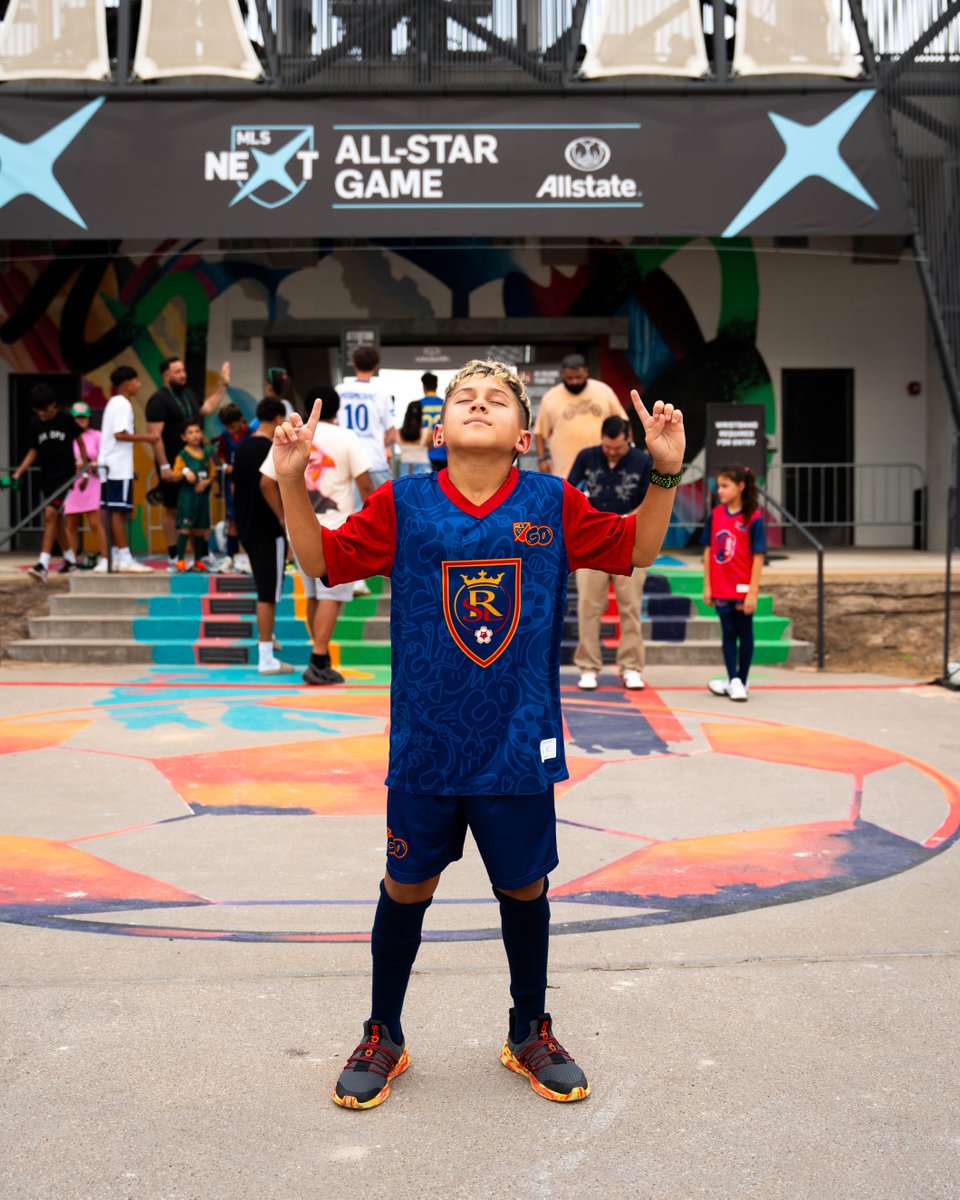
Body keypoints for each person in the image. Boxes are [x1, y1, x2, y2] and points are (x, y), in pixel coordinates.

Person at [272, 358, 685, 1109]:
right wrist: (293, 483)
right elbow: (320, 559)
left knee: (523, 886)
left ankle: (530, 1028)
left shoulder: (551, 502)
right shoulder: (405, 503)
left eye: (498, 399)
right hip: (427, 742)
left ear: (524, 435)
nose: (479, 405)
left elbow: (638, 550)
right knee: (407, 885)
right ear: (439, 427)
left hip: (519, 740)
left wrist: (663, 474)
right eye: (465, 397)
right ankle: (383, 1034)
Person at [261, 385, 373, 686]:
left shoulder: (293, 435)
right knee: (331, 597)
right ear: (337, 409)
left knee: (313, 594)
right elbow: (365, 485)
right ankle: (319, 658)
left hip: (299, 529)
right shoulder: (347, 437)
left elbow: (266, 483)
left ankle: (318, 654)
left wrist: (285, 516)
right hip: (337, 526)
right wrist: (369, 521)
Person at [568, 416, 654, 691]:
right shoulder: (587, 456)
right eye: (607, 447)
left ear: (628, 438)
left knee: (630, 606)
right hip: (593, 538)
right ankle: (588, 666)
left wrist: (628, 520)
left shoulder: (642, 460)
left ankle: (631, 667)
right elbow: (570, 490)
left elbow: (651, 501)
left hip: (630, 537)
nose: (612, 452)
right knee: (589, 606)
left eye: (617, 448)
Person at [146, 355, 230, 572]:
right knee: (174, 509)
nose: (183, 375)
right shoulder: (158, 400)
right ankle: (175, 556)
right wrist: (164, 466)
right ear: (166, 375)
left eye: (183, 370)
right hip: (175, 464)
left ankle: (201, 556)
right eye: (177, 372)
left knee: (199, 509)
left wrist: (222, 386)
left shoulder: (189, 394)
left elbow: (207, 409)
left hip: (199, 463)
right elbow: (154, 436)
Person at [231, 398, 293, 676]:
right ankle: (266, 656)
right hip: (268, 529)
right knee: (268, 594)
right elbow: (268, 484)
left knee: (264, 589)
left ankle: (268, 637)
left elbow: (235, 488)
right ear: (279, 417)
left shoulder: (242, 446)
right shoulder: (271, 448)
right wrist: (283, 518)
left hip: (247, 527)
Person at [11, 384, 91, 582]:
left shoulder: (65, 420)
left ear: (54, 405)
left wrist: (85, 470)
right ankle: (71, 560)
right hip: (47, 478)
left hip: (65, 477)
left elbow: (79, 440)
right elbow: (33, 450)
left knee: (50, 514)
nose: (42, 414)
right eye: (37, 410)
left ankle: (43, 565)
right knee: (56, 520)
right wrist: (19, 472)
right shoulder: (34, 424)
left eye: (45, 409)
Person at [702, 465, 767, 702]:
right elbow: (708, 551)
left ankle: (742, 678)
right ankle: (733, 680)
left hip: (742, 586)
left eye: (725, 486)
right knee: (728, 631)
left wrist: (753, 591)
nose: (720, 490)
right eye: (718, 486)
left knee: (744, 630)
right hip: (721, 585)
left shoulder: (754, 518)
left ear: (740, 487)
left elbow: (758, 557)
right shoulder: (716, 515)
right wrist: (707, 586)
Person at [96, 365, 159, 574]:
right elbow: (120, 434)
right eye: (136, 381)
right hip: (118, 467)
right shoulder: (123, 404)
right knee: (118, 512)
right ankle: (124, 556)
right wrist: (148, 438)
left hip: (111, 466)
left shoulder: (113, 403)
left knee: (113, 510)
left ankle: (113, 554)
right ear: (126, 384)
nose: (139, 385)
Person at [533, 354, 628, 481]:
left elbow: (624, 423)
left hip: (602, 467)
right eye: (569, 378)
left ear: (586, 372)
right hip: (565, 469)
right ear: (563, 374)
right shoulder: (550, 397)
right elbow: (539, 433)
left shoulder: (604, 391)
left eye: (578, 377)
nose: (574, 381)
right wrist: (541, 459)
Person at [336, 346, 396, 489]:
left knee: (352, 510)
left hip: (348, 463)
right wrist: (382, 445)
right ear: (375, 366)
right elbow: (392, 435)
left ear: (354, 364)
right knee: (383, 509)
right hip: (375, 461)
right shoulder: (381, 393)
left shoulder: (339, 390)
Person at [62, 401, 106, 568]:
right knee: (71, 523)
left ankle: (105, 558)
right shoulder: (66, 437)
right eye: (77, 418)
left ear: (89, 419)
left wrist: (91, 464)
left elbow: (103, 458)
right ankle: (71, 560)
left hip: (92, 482)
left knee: (95, 523)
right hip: (72, 482)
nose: (80, 421)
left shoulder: (97, 436)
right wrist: (72, 465)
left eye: (83, 418)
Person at [216, 401, 259, 571]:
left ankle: (246, 557)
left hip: (249, 483)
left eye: (233, 426)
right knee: (232, 521)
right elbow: (221, 455)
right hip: (231, 484)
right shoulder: (224, 437)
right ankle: (229, 557)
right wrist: (225, 465)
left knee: (248, 521)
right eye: (227, 427)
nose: (231, 430)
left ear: (241, 420)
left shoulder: (252, 434)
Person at [169, 420, 216, 573]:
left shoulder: (207, 454)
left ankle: (198, 561)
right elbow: (174, 475)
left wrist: (206, 482)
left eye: (197, 431)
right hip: (187, 498)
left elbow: (212, 474)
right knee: (185, 528)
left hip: (202, 498)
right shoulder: (182, 455)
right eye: (190, 432)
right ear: (184, 437)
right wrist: (184, 472)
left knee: (200, 530)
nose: (195, 435)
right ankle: (180, 559)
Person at [397, 400, 429, 474]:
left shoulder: (398, 432)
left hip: (405, 467)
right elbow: (430, 448)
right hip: (423, 467)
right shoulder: (427, 432)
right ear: (421, 414)